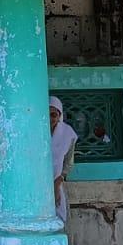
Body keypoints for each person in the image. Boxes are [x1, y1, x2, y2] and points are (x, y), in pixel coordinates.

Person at [49, 96, 78, 228]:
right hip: (37, 183)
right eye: (47, 114)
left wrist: (57, 183)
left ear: (60, 115)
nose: (50, 118)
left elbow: (69, 163)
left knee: (59, 219)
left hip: (57, 181)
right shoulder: (36, 132)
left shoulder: (67, 134)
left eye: (54, 114)